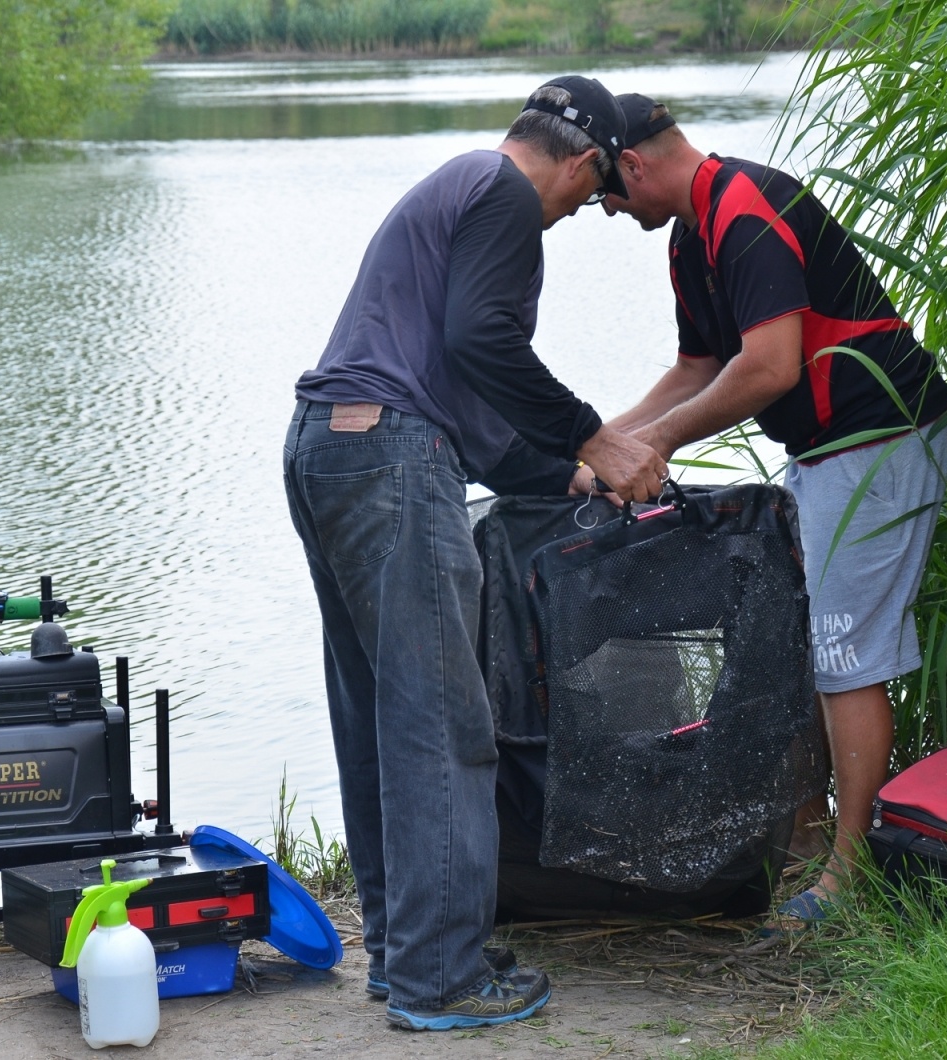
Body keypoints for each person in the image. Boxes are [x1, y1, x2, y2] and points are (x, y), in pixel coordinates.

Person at [282, 76, 668, 1031]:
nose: (580, 212)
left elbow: (463, 384)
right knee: (443, 721)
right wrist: (595, 437)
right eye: (594, 191)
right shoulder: (505, 194)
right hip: (392, 462)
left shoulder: (454, 185)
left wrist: (564, 475)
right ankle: (442, 980)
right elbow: (484, 339)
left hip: (326, 447)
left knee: (380, 717)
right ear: (584, 161)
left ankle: (406, 953)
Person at [598, 94, 947, 924]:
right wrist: (604, 445)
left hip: (880, 435)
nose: (608, 209)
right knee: (793, 635)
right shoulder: (691, 235)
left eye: (605, 193)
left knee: (844, 653)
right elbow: (697, 369)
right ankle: (802, 838)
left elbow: (769, 368)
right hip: (823, 448)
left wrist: (659, 445)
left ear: (635, 165)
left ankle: (850, 877)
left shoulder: (746, 207)